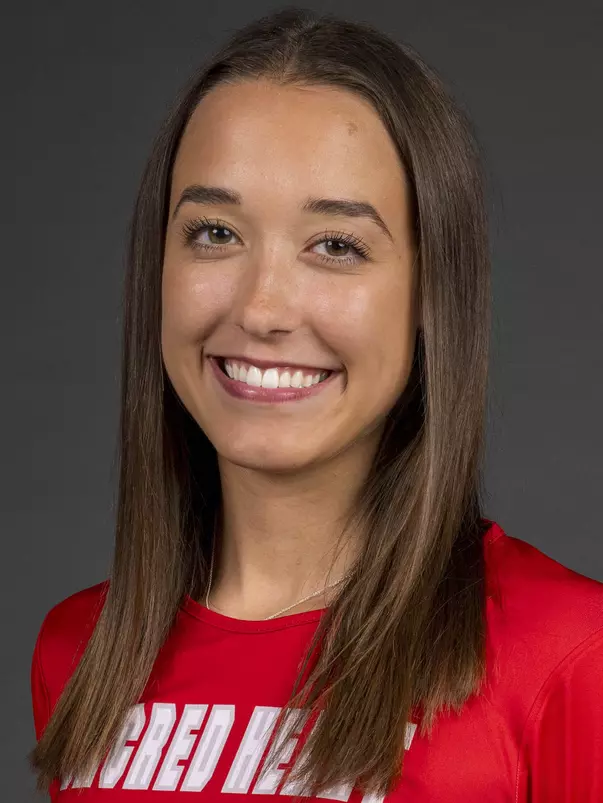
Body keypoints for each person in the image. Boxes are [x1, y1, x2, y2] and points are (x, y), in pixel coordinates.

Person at [28, 7, 603, 802]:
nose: (262, 307)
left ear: (429, 296)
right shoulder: (79, 654)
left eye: (335, 245)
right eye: (215, 233)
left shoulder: (568, 654)